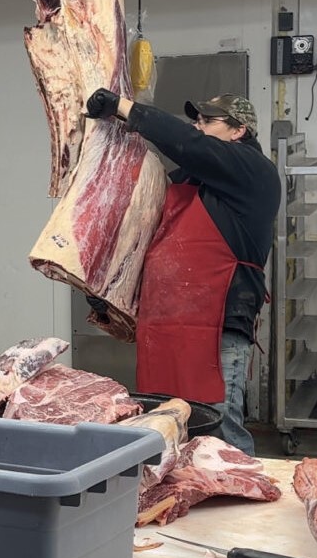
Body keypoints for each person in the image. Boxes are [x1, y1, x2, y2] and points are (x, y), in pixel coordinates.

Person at [84, 90, 280, 455]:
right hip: (164, 327)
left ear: (239, 131)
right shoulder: (190, 181)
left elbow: (189, 144)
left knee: (217, 430)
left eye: (207, 120)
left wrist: (124, 108)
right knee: (163, 427)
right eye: (197, 120)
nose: (197, 126)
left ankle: (240, 505)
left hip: (214, 325)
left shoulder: (252, 171)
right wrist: (109, 294)